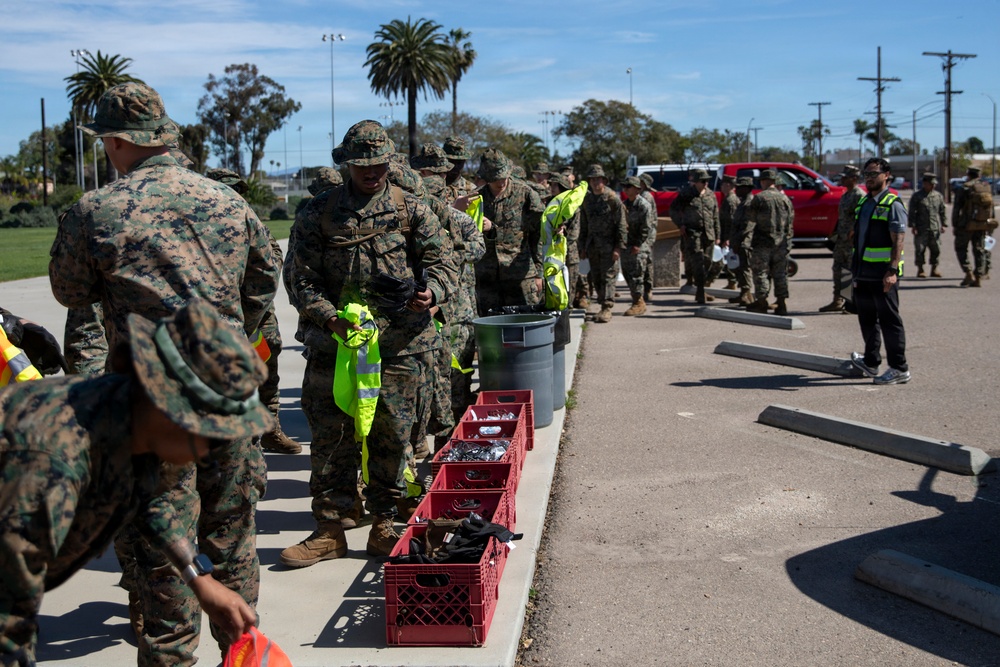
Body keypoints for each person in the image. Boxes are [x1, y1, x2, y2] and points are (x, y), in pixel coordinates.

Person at [48, 81, 278, 665]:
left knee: (162, 552)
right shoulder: (229, 201)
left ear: (119, 142)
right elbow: (262, 284)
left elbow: (70, 292)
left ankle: (171, 653)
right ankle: (244, 652)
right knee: (231, 538)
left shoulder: (95, 212)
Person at [0, 300, 268, 666]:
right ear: (168, 410)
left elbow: (148, 497)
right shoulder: (54, 464)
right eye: (211, 435)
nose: (208, 455)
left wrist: (199, 579)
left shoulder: (125, 417)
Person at [282, 120, 456, 566]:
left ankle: (384, 526)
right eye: (362, 165)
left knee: (393, 439)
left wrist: (430, 292)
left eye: (378, 164)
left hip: (399, 347)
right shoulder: (318, 212)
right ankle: (330, 530)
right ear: (346, 165)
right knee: (330, 439)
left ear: (389, 162)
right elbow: (300, 278)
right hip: (336, 348)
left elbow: (444, 264)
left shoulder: (412, 210)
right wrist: (328, 317)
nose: (371, 172)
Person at [206, 167, 301, 455]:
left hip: (258, 313)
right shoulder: (199, 228)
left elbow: (274, 257)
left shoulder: (252, 221)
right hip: (218, 314)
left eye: (236, 188)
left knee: (267, 368)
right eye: (226, 188)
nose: (232, 194)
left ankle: (271, 429)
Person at [849, 158, 910, 385]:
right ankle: (871, 361)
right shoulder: (865, 203)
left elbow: (899, 241)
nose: (869, 178)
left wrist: (892, 270)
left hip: (883, 274)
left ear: (887, 175)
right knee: (866, 319)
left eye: (874, 173)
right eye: (867, 174)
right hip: (863, 272)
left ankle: (899, 368)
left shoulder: (892, 203)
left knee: (889, 321)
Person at [473, 148, 545, 315]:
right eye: (496, 178)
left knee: (525, 327)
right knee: (492, 329)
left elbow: (538, 235)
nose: (502, 182)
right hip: (487, 278)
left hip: (519, 275)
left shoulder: (525, 194)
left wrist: (539, 273)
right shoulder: (476, 199)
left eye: (504, 176)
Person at [579, 164, 627, 322]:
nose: (595, 182)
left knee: (608, 277)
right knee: (596, 277)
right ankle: (601, 305)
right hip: (593, 246)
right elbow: (584, 224)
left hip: (609, 246)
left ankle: (607, 308)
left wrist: (618, 247)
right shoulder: (587, 200)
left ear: (604, 180)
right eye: (592, 179)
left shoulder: (612, 199)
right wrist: (583, 247)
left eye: (598, 179)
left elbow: (621, 224)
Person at [745, 168, 791, 315]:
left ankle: (762, 301)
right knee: (780, 273)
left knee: (761, 272)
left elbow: (750, 220)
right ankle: (781, 303)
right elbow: (790, 222)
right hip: (781, 243)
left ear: (764, 181)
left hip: (763, 242)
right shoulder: (785, 199)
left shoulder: (759, 198)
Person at [820, 165, 866, 312]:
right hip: (841, 240)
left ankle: (851, 303)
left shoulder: (859, 195)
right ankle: (837, 300)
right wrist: (833, 232)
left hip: (852, 241)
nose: (842, 179)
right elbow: (842, 217)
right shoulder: (846, 195)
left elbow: (863, 218)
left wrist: (854, 232)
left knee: (850, 271)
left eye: (845, 177)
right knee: (838, 270)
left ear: (854, 179)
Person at [676, 168, 721, 305]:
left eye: (707, 181)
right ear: (695, 182)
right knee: (697, 262)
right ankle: (700, 291)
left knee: (707, 261)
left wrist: (718, 235)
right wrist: (680, 225)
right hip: (693, 234)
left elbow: (715, 216)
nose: (706, 183)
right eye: (703, 181)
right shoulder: (686, 194)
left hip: (709, 234)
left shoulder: (710, 195)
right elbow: (674, 210)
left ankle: (701, 287)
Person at [952, 166, 994, 287]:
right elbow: (990, 207)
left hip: (965, 224)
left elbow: (957, 208)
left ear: (968, 174)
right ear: (979, 175)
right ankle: (979, 277)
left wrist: (955, 224)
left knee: (961, 248)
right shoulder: (985, 187)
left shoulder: (964, 187)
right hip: (981, 224)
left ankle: (968, 272)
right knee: (979, 249)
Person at [621, 176, 653, 316]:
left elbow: (646, 228)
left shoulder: (643, 205)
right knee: (628, 274)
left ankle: (638, 302)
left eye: (629, 187)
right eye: (625, 187)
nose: (626, 189)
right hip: (627, 246)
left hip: (638, 247)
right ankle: (637, 300)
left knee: (637, 275)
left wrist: (637, 244)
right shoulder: (625, 204)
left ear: (637, 189)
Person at [908, 172, 947, 278]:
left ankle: (934, 269)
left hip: (934, 227)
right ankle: (920, 269)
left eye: (934, 184)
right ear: (925, 183)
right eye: (931, 183)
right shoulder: (917, 196)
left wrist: (944, 224)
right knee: (920, 249)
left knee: (936, 249)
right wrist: (913, 225)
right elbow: (912, 212)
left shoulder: (938, 196)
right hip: (921, 228)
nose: (933, 186)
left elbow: (942, 211)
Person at [727, 176, 756, 305]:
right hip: (738, 241)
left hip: (745, 242)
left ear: (746, 189)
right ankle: (744, 294)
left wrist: (738, 241)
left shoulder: (750, 203)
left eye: (739, 187)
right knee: (739, 268)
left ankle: (746, 294)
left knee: (744, 268)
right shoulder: (742, 202)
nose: (736, 189)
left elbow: (747, 226)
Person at [638, 172, 658, 302]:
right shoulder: (642, 195)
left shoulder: (646, 196)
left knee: (646, 263)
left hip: (647, 235)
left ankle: (648, 289)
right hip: (645, 234)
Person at [718, 174, 740, 290]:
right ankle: (732, 282)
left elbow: (731, 221)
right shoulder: (730, 199)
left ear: (728, 185)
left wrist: (727, 238)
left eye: (722, 184)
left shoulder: (730, 200)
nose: (721, 187)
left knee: (730, 258)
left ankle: (732, 282)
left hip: (729, 234)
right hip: (728, 234)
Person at [442, 136, 476, 201]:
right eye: (451, 162)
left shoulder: (471, 190)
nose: (455, 166)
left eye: (459, 162)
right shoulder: (433, 186)